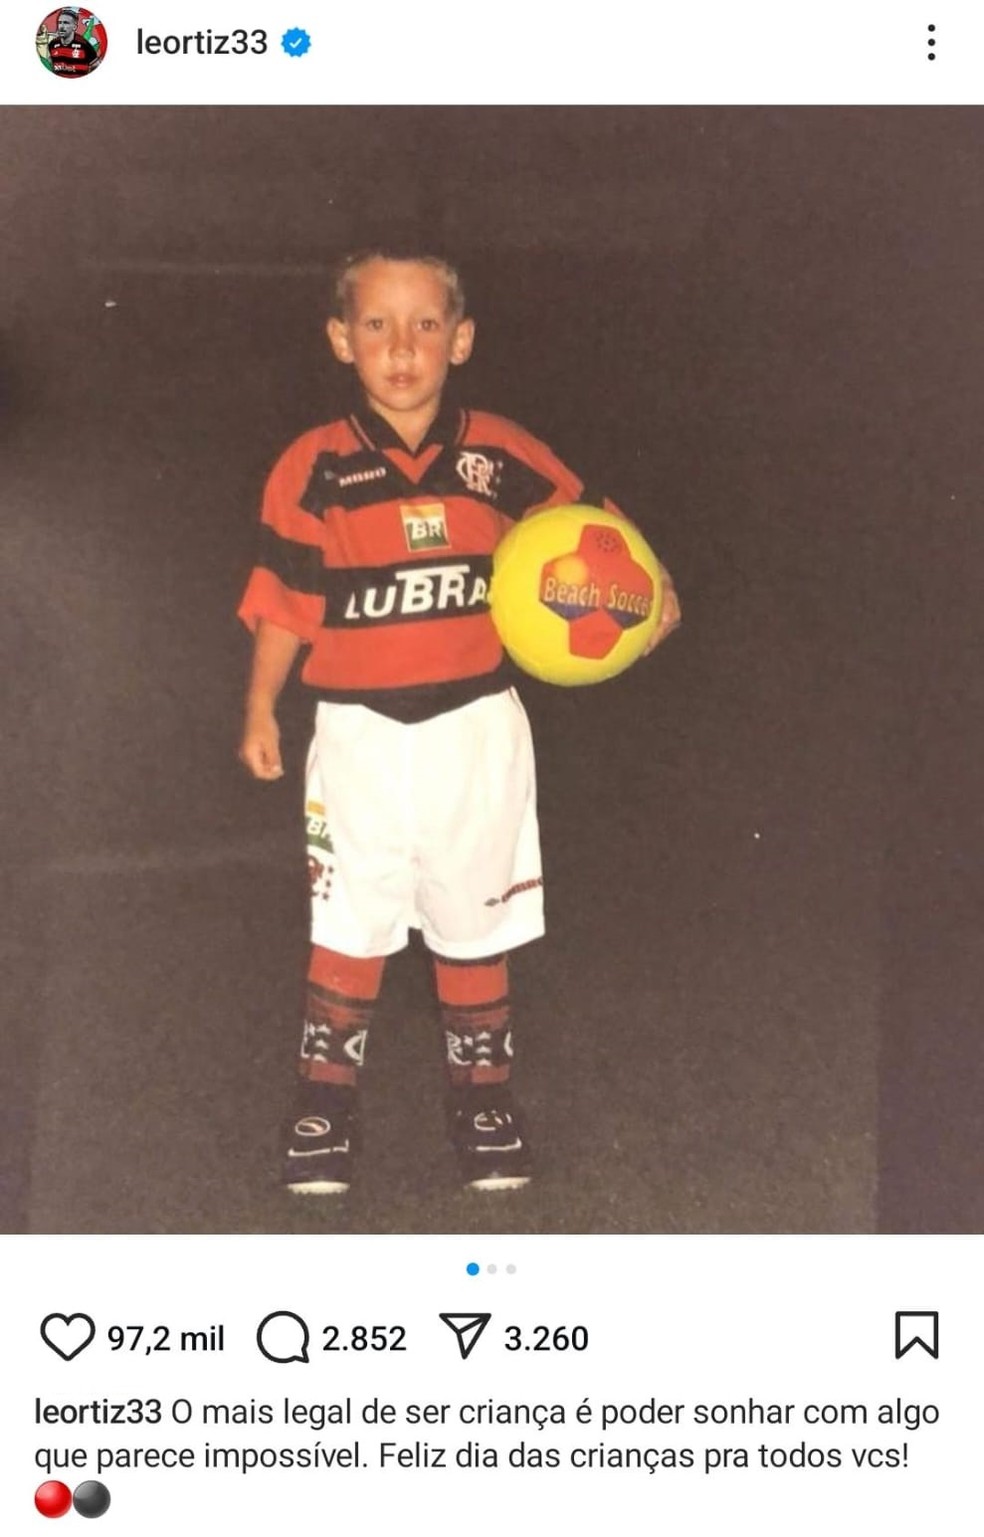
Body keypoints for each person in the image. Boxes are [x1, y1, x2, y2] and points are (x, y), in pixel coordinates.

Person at [237, 248, 681, 1196]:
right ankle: (324, 1103)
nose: (402, 347)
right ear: (340, 339)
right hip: (355, 735)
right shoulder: (313, 466)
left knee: (476, 920)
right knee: (349, 918)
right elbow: (283, 601)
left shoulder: (501, 454)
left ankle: (484, 1103)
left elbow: (595, 530)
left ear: (462, 340)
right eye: (377, 325)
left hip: (475, 728)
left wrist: (654, 589)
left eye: (426, 325)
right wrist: (260, 707)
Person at [45, 9, 101, 77]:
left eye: (66, 23)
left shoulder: (84, 45)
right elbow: (50, 66)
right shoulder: (52, 44)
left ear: (74, 27)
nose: (61, 26)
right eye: (59, 22)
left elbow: (96, 66)